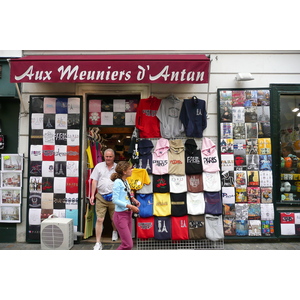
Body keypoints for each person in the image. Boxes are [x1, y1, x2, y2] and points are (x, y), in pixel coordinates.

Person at [89, 148, 118, 250]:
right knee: (100, 219)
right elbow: (94, 181)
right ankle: (98, 242)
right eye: (106, 156)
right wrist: (92, 195)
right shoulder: (98, 166)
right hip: (101, 196)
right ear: (104, 157)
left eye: (110, 157)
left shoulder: (117, 167)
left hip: (114, 197)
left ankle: (114, 231)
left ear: (113, 157)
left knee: (114, 218)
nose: (108, 158)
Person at [111, 161, 140, 250]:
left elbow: (126, 194)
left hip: (127, 215)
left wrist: (134, 200)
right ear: (124, 171)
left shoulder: (125, 181)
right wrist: (130, 206)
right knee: (128, 244)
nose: (131, 170)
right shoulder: (118, 182)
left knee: (127, 244)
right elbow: (115, 199)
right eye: (129, 169)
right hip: (120, 216)